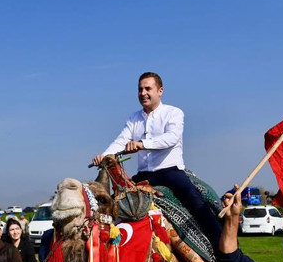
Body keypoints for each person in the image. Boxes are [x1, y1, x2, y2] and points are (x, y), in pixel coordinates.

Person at [92, 72, 221, 246]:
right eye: (140, 90)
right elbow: (121, 140)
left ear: (160, 91)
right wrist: (105, 156)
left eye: (148, 89)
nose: (143, 93)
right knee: (114, 202)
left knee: (193, 197)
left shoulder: (174, 113)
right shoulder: (134, 118)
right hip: (144, 175)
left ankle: (220, 244)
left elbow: (171, 138)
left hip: (170, 172)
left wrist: (141, 144)